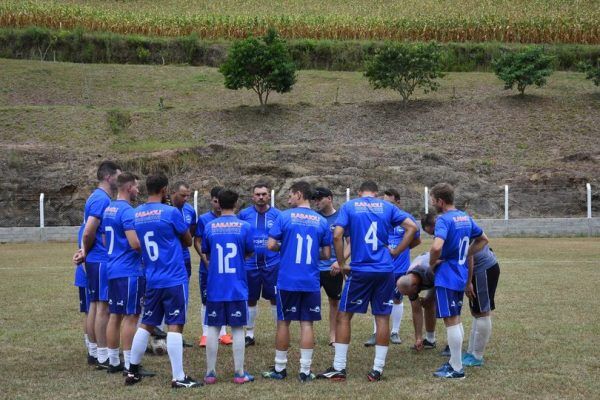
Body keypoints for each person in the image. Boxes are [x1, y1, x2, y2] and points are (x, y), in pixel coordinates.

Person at [318, 180, 418, 382]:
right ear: (376, 193)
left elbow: (337, 235)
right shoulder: (388, 206)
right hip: (384, 270)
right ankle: (377, 369)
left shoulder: (350, 205)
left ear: (359, 192)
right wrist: (397, 251)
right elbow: (412, 227)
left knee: (344, 315)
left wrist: (340, 261)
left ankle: (339, 367)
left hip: (361, 270)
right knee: (382, 317)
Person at [125, 173, 200, 388]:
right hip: (173, 277)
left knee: (147, 323)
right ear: (165, 189)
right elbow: (187, 240)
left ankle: (132, 371)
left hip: (152, 277)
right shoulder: (171, 212)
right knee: (175, 325)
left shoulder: (137, 214)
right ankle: (178, 377)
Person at [262, 181, 331, 382]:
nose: (288, 199)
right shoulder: (321, 221)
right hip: (310, 280)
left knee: (283, 322)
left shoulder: (284, 216)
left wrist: (285, 248)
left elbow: (271, 244)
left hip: (287, 280)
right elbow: (326, 254)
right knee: (307, 323)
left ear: (299, 194)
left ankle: (280, 368)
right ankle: (304, 370)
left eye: (291, 195)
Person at [428, 182, 488, 379]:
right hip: (461, 273)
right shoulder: (465, 217)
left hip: (447, 275)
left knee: (451, 320)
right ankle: (455, 362)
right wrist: (464, 255)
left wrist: (432, 263)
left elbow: (437, 247)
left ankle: (456, 369)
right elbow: (483, 239)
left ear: (440, 201)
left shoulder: (443, 220)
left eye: (432, 200)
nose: (431, 203)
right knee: (456, 318)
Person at [201, 189, 255, 385]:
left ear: (218, 203)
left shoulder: (209, 226)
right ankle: (239, 373)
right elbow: (249, 252)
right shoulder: (245, 226)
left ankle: (210, 373)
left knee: (214, 327)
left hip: (216, 285)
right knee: (238, 328)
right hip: (236, 286)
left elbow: (206, 254)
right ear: (236, 203)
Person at [73, 161, 121, 369]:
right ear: (109, 177)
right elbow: (89, 230)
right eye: (118, 176)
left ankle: (95, 351)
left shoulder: (97, 197)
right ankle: (103, 355)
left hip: (95, 259)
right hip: (100, 259)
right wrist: (86, 251)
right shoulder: (101, 199)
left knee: (94, 305)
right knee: (103, 308)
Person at [102, 173, 151, 374]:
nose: (138, 190)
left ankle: (114, 361)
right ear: (129, 187)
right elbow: (135, 243)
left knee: (115, 315)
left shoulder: (108, 209)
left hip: (112, 268)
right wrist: (148, 252)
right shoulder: (127, 212)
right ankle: (131, 364)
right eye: (136, 187)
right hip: (129, 271)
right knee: (131, 316)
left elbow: (105, 241)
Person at [364, 188, 421, 346]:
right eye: (383, 202)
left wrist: (400, 250)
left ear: (398, 202)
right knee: (377, 299)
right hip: (381, 266)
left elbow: (416, 240)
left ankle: (394, 331)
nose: (385, 205)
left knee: (396, 299)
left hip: (399, 267)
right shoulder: (380, 218)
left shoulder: (407, 219)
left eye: (389, 202)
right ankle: (376, 333)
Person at [238, 182, 281, 347]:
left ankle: (280, 332)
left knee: (275, 298)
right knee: (250, 298)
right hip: (250, 264)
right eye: (258, 194)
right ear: (252, 196)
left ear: (269, 195)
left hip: (272, 263)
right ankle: (249, 334)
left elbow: (283, 238)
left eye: (264, 194)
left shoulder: (278, 215)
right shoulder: (244, 214)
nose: (261, 197)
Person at [194, 186, 232, 346]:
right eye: (215, 201)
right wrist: (207, 262)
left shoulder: (231, 220)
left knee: (224, 297)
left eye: (220, 202)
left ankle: (223, 333)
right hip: (208, 269)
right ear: (212, 200)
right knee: (207, 299)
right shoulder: (204, 219)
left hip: (226, 268)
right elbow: (197, 241)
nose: (218, 205)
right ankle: (205, 333)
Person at [312, 187, 349, 346]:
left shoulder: (341, 217)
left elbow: (351, 243)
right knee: (311, 301)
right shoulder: (313, 218)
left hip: (333, 268)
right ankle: (309, 333)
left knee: (334, 301)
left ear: (330, 198)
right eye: (314, 199)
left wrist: (339, 262)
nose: (316, 202)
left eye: (319, 198)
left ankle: (333, 335)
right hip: (313, 268)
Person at [462, 243, 500, 367]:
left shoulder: (460, 225)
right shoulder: (466, 224)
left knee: (482, 312)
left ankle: (477, 356)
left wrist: (468, 283)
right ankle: (470, 352)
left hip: (482, 269)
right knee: (476, 312)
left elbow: (470, 255)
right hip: (480, 269)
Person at [396, 249, 437, 351]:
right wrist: (418, 338)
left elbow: (442, 285)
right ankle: (430, 340)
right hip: (428, 276)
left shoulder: (429, 271)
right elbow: (416, 310)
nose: (408, 296)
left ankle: (451, 346)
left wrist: (429, 298)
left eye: (408, 294)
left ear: (414, 286)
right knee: (428, 304)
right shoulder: (408, 282)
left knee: (442, 307)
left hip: (443, 273)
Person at [170, 182, 196, 279]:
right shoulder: (165, 208)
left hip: (184, 254)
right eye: (183, 195)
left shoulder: (190, 209)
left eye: (187, 196)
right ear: (173, 193)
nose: (185, 198)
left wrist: (187, 238)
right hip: (169, 255)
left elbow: (193, 227)